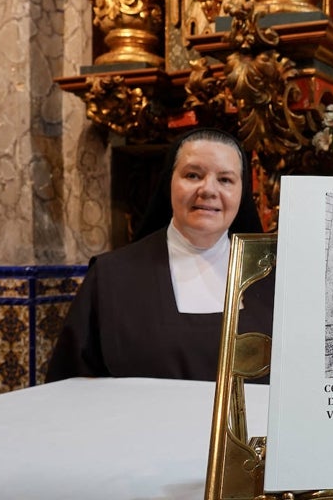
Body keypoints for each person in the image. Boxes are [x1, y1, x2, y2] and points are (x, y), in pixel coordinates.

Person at [46, 128, 274, 382]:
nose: (208, 190)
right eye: (193, 175)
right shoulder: (111, 277)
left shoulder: (273, 279)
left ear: (242, 194)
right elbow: (70, 385)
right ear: (169, 184)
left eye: (225, 180)